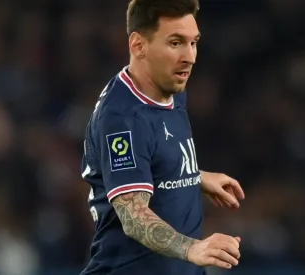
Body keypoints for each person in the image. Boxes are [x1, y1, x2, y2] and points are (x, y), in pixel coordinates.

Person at [80, 0, 245, 274]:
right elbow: (134, 217)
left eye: (193, 42)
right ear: (138, 46)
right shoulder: (122, 119)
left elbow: (151, 156)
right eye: (175, 42)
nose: (190, 56)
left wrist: (194, 175)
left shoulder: (171, 87)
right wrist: (194, 248)